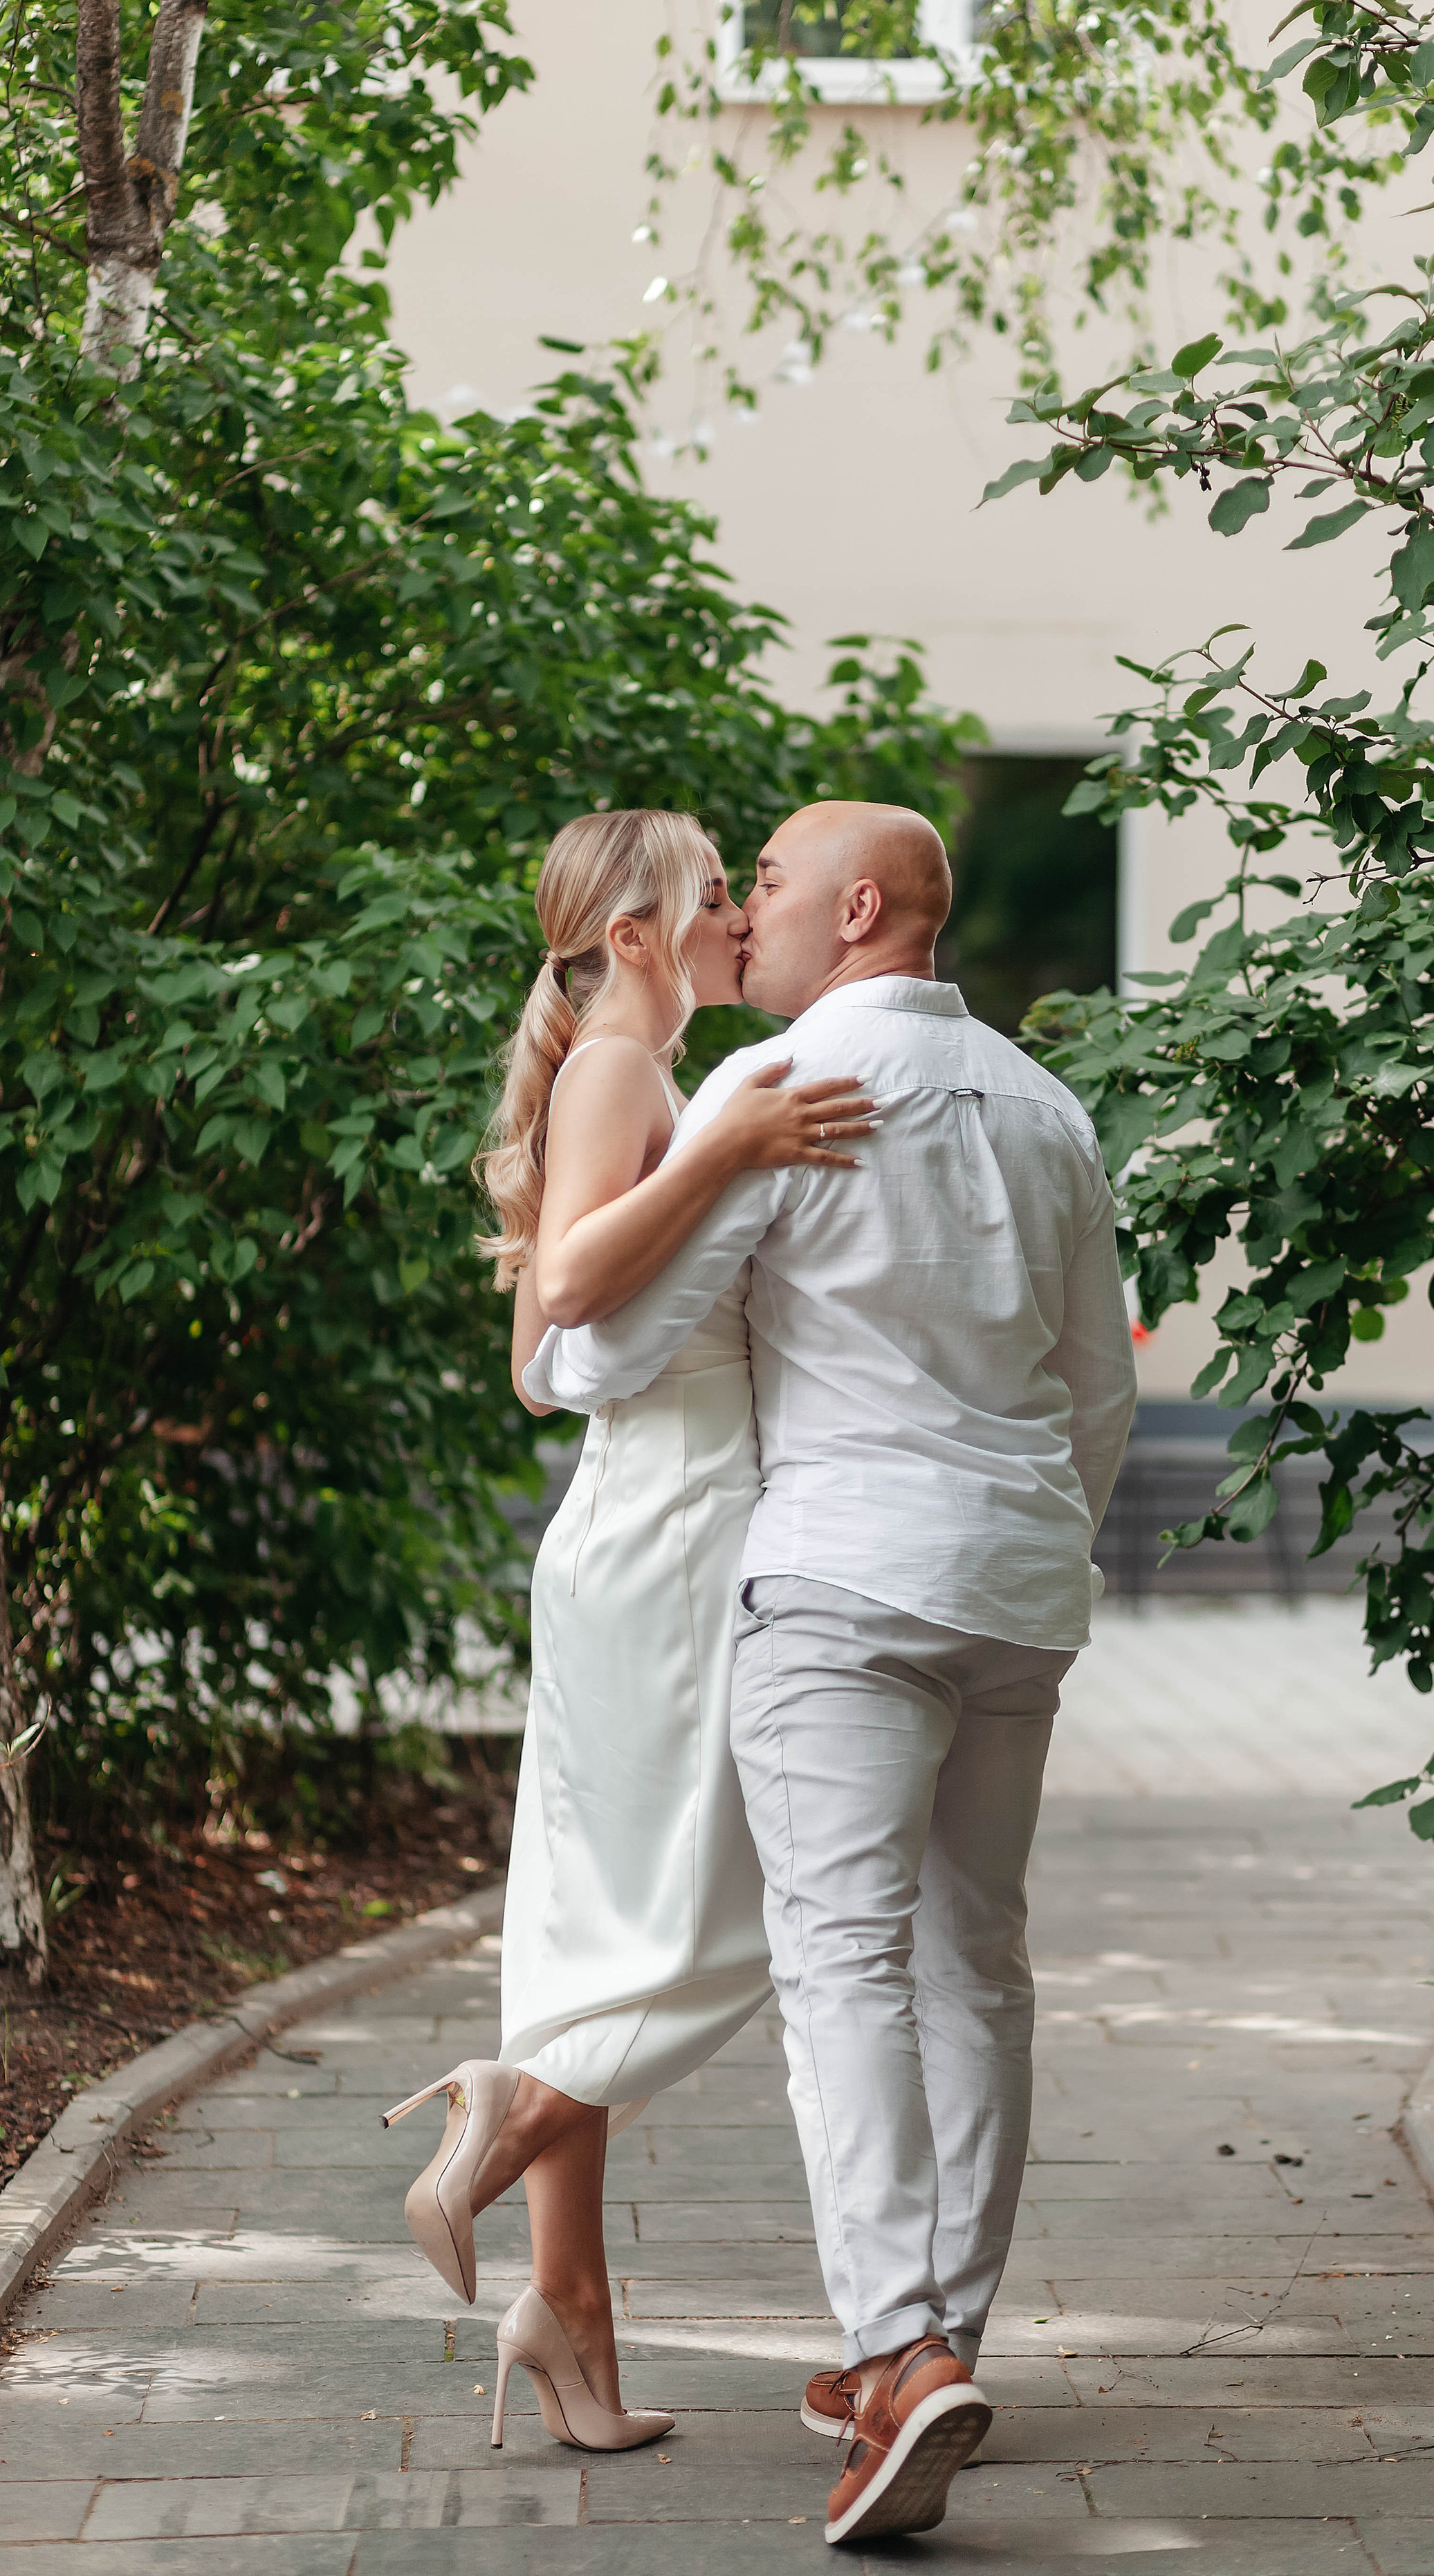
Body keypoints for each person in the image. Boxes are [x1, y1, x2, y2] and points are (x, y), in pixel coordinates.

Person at [534, 799, 1138, 2546]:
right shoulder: (1047, 1107)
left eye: (773, 888)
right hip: (1017, 1585)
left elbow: (605, 1352)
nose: (750, 918)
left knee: (842, 1967)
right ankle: (943, 2330)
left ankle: (894, 2352)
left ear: (858, 908)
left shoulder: (773, 1089)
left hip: (839, 1582)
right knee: (980, 1961)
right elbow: (1096, 1386)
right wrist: (1038, 1537)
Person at [380, 806, 877, 2456]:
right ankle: (508, 2110)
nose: (742, 916)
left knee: (592, 1928)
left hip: (648, 1518)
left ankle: (570, 2318)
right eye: (717, 897)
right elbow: (578, 1294)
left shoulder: (635, 1076)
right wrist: (732, 1154)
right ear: (640, 939)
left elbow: (536, 1355)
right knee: (741, 1900)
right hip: (670, 1534)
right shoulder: (624, 1070)